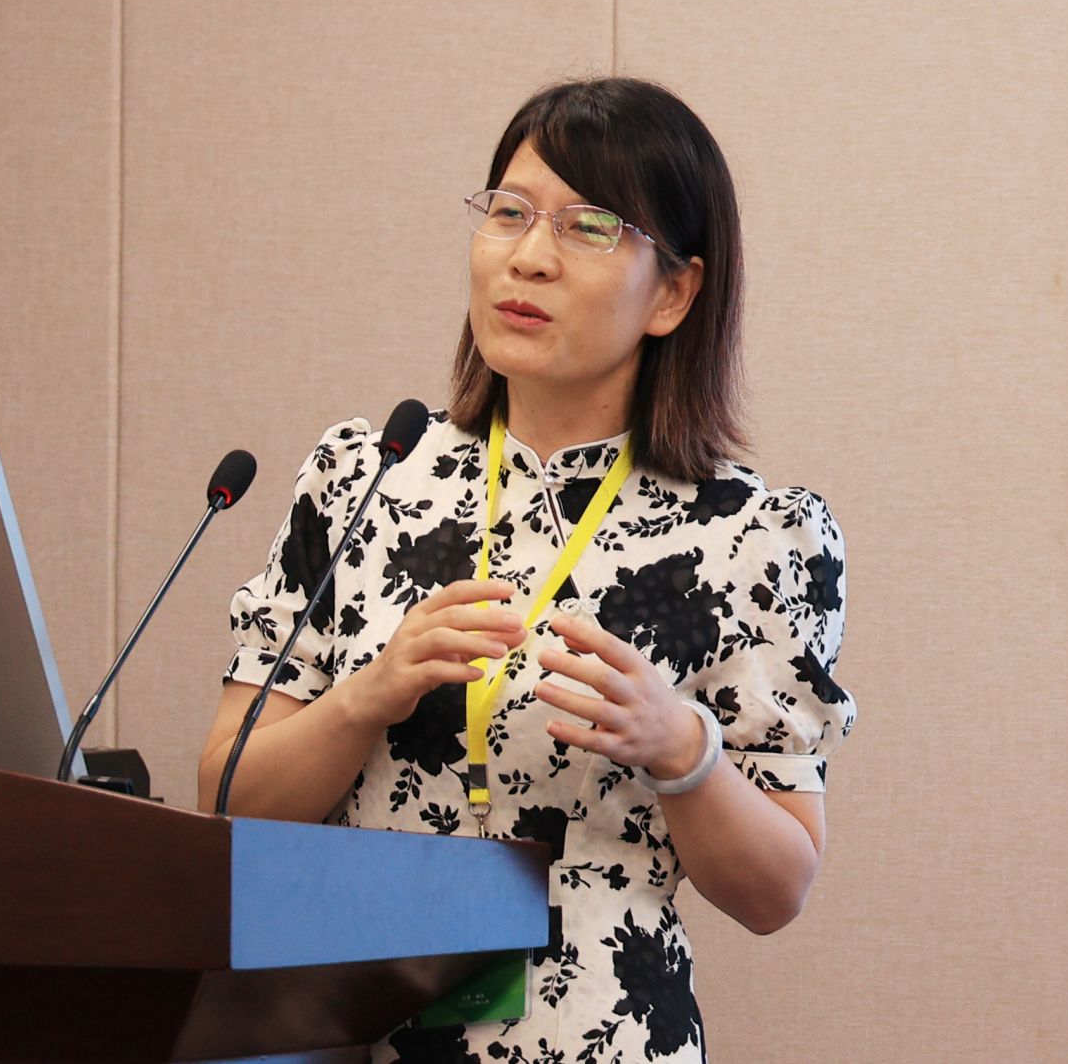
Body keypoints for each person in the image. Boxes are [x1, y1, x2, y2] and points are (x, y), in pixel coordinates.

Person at [197, 78, 855, 1064]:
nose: (529, 255)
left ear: (673, 293)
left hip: (596, 1038)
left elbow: (776, 891)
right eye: (508, 212)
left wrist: (683, 751)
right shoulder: (364, 478)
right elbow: (225, 802)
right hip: (341, 1034)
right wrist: (366, 697)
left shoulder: (754, 536)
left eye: (588, 227)